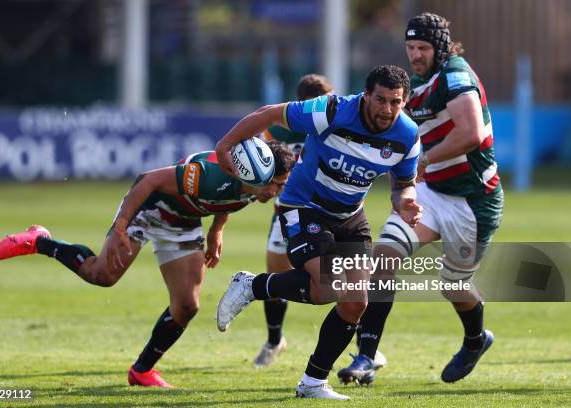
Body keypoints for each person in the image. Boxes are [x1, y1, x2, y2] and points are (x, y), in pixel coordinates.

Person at [0, 141, 295, 388]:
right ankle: (40, 241)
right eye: (275, 186)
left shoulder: (254, 185)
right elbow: (148, 180)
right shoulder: (207, 175)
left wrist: (217, 230)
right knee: (102, 275)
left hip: (185, 222)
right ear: (256, 176)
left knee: (187, 306)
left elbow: (231, 200)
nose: (276, 193)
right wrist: (121, 228)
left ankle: (141, 371)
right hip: (148, 209)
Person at [215, 65, 422, 400]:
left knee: (356, 302)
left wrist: (406, 202)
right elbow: (269, 114)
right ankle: (252, 286)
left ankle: (312, 382)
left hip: (351, 216)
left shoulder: (407, 135)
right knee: (331, 284)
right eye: (380, 99)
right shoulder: (331, 110)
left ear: (404, 101)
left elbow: (404, 184)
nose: (386, 109)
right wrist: (226, 145)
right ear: (366, 94)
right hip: (304, 206)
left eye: (395, 102)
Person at [338, 12, 504, 386]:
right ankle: (366, 355)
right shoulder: (415, 82)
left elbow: (472, 133)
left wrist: (424, 160)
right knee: (384, 257)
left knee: (452, 285)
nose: (415, 54)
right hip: (431, 194)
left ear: (440, 47)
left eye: (423, 47)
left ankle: (476, 340)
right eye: (410, 47)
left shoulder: (455, 76)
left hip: (473, 201)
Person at [253, 73, 333, 368]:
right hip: (285, 212)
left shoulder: (336, 126)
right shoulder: (278, 128)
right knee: (275, 276)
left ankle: (365, 347)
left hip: (327, 214)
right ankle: (275, 340)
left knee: (340, 279)